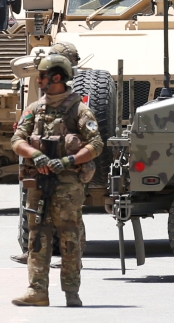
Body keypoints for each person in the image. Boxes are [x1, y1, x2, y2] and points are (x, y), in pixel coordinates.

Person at [10, 54, 102, 308]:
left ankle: (71, 292)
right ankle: (37, 291)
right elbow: (17, 140)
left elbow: (96, 144)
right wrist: (36, 155)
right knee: (37, 236)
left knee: (69, 237)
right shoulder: (35, 109)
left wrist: (69, 161)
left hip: (68, 185)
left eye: (41, 76)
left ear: (57, 77)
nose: (38, 81)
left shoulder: (79, 109)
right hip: (40, 182)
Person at [11, 42, 87, 266]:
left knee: (70, 213)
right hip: (41, 155)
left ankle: (75, 254)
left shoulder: (76, 86)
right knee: (34, 208)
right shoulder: (46, 83)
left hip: (67, 160)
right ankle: (31, 251)